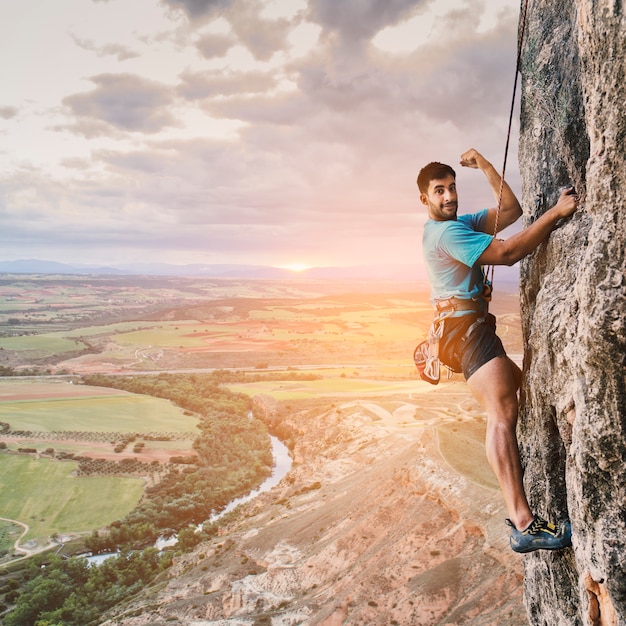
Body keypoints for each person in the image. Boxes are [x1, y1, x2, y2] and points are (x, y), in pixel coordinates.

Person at [417, 148, 577, 553]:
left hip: (464, 327)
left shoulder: (458, 223)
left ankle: (524, 508)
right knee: (502, 413)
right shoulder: (448, 233)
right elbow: (506, 253)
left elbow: (510, 210)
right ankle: (523, 523)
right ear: (425, 199)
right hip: (464, 329)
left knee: (516, 390)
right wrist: (557, 213)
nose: (449, 196)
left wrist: (485, 166)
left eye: (452, 187)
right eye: (440, 191)